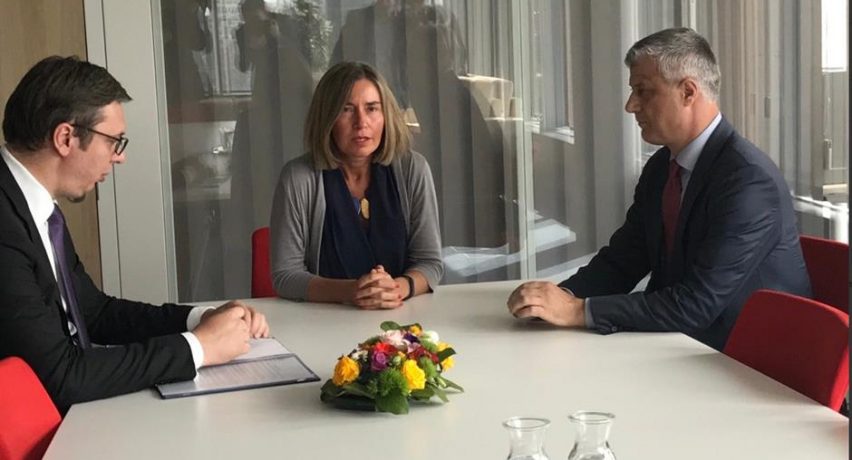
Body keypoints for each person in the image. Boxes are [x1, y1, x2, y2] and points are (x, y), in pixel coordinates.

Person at [506, 28, 811, 351]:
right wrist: (556, 299)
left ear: (688, 92)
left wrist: (578, 311)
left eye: (643, 91)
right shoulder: (662, 166)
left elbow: (696, 304)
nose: (630, 105)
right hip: (681, 345)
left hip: (745, 360)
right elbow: (624, 260)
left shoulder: (748, 181)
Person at [0, 56, 270, 414]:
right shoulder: (6, 222)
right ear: (66, 138)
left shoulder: (35, 206)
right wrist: (199, 347)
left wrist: (198, 319)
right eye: (114, 141)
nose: (119, 157)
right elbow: (62, 376)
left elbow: (95, 313)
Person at [270, 61, 442, 308]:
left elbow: (430, 263)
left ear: (386, 115)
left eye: (372, 108)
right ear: (327, 118)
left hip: (401, 317)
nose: (361, 122)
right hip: (323, 319)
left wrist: (394, 290)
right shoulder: (298, 178)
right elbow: (285, 276)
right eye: (346, 109)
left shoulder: (413, 170)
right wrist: (352, 291)